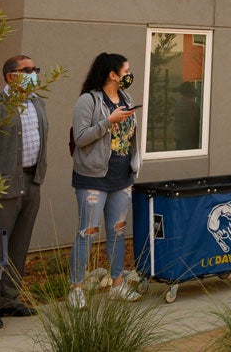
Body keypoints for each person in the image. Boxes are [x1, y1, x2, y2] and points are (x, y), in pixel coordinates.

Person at [0, 55, 47, 328]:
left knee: (19, 244)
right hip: (2, 186)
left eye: (35, 69)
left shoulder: (37, 104)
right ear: (11, 76)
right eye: (27, 70)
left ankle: (9, 299)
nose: (33, 74)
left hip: (31, 181)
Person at [68, 53, 140, 308]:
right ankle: (76, 289)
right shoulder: (88, 100)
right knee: (87, 233)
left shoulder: (126, 98)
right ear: (112, 74)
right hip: (93, 178)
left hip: (122, 177)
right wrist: (108, 122)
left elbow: (130, 136)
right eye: (126, 70)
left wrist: (135, 164)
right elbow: (81, 137)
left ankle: (117, 284)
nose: (129, 74)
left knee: (117, 232)